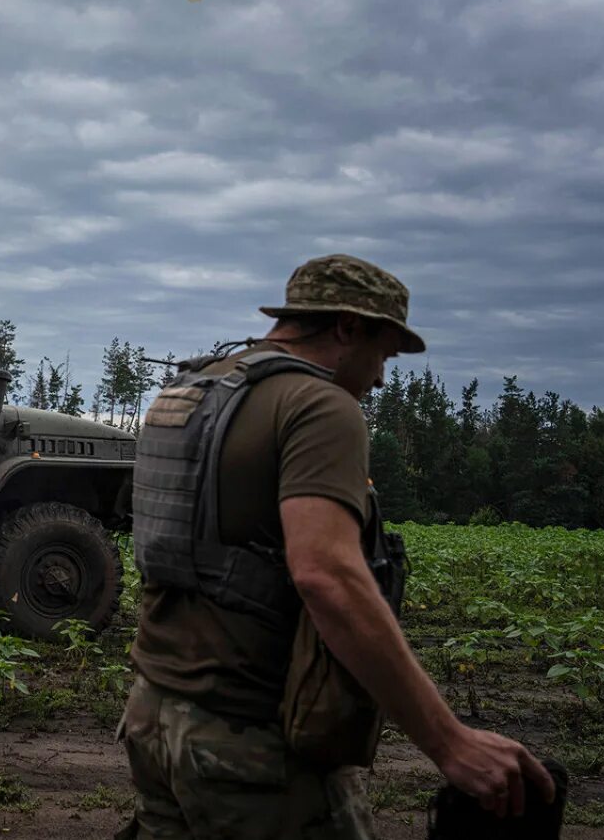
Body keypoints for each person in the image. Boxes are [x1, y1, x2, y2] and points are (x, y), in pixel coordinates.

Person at [117, 254, 553, 839]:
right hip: (249, 741)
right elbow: (327, 575)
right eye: (384, 354)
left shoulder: (193, 391)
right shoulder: (319, 406)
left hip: (153, 716)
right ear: (347, 327)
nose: (379, 378)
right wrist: (450, 742)